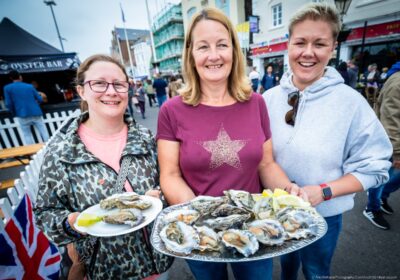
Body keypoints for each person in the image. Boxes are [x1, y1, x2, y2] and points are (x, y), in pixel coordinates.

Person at [157, 8, 304, 280]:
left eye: (222, 45)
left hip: (252, 227)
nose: (214, 55)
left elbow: (266, 163)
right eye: (203, 47)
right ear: (190, 54)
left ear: (234, 51)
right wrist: (204, 220)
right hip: (200, 231)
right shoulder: (171, 110)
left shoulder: (256, 103)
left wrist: (288, 191)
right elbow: (170, 175)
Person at [263, 3, 392, 279]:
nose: (308, 52)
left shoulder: (351, 103)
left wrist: (322, 191)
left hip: (325, 216)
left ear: (333, 47)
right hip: (277, 210)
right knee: (286, 269)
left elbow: (376, 168)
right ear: (288, 45)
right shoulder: (268, 99)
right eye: (300, 42)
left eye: (319, 43)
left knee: (315, 272)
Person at [34, 54, 173, 279]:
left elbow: (167, 181)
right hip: (105, 269)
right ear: (81, 91)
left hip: (158, 263)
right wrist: (70, 224)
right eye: (99, 83)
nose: (111, 91)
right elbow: (44, 213)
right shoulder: (62, 151)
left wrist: (158, 197)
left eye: (119, 84)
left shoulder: (146, 137)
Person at [364, 61, 400, 230]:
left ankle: (381, 197)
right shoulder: (397, 82)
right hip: (391, 142)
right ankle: (372, 207)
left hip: (394, 141)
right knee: (382, 175)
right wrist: (397, 152)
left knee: (389, 177)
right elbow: (391, 118)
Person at [3, 70, 49, 144]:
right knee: (43, 131)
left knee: (27, 135)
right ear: (20, 76)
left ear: (11, 78)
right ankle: (49, 148)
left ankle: (31, 152)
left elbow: (8, 104)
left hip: (21, 114)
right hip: (35, 112)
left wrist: (14, 112)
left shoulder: (7, 88)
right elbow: (40, 99)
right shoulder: (29, 86)